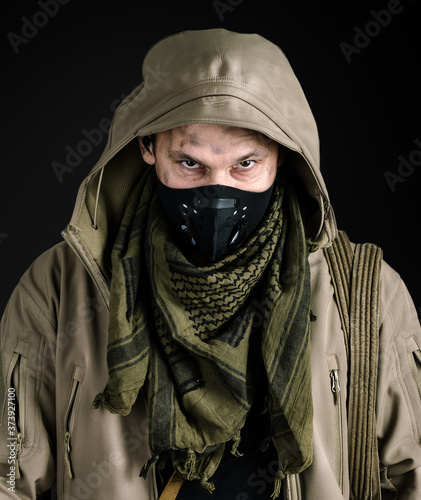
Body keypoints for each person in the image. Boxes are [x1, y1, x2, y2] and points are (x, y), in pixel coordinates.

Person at [1, 28, 420, 500]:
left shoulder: (366, 295)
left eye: (245, 164)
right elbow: (8, 478)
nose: (217, 194)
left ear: (282, 156)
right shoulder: (60, 287)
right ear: (147, 147)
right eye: (190, 164)